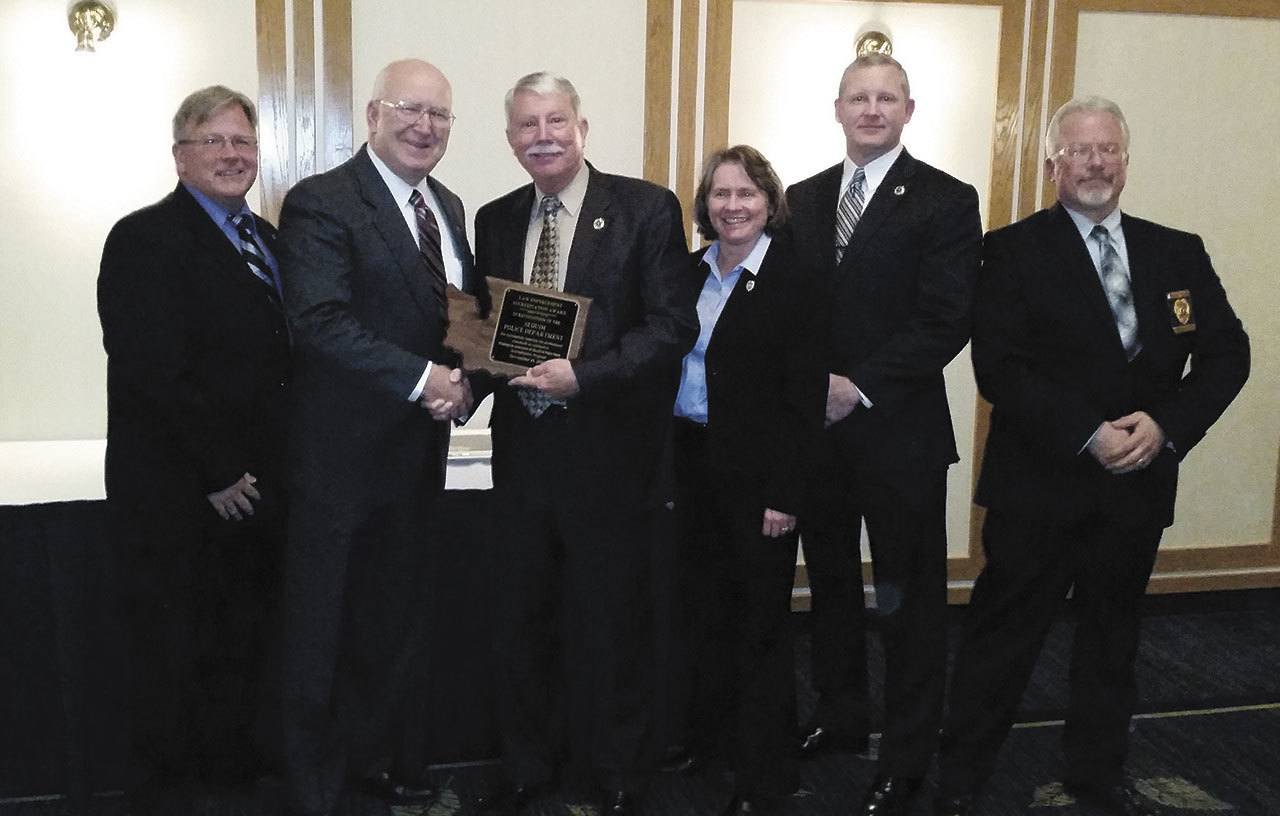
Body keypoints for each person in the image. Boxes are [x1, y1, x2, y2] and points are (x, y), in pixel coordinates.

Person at [933, 96, 1250, 816]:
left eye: (1108, 149)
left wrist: (1166, 428)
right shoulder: (1010, 250)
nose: (1095, 162)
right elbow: (1002, 368)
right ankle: (961, 779)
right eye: (1079, 150)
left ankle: (1096, 774)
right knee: (1001, 640)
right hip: (1039, 488)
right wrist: (1090, 432)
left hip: (1137, 486)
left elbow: (1230, 353)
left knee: (1113, 641)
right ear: (1053, 164)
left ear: (1126, 162)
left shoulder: (1178, 250)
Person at [472, 71, 698, 816]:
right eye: (527, 125)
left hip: (611, 458)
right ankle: (530, 768)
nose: (543, 136)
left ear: (582, 126)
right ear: (510, 139)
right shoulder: (495, 218)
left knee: (611, 623)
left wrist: (587, 377)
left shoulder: (644, 209)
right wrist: (452, 385)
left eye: (556, 121)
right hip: (524, 458)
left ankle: (616, 774)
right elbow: (488, 329)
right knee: (520, 621)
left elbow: (671, 329)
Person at [275, 58, 477, 816]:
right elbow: (321, 321)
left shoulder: (447, 205)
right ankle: (315, 790)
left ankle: (378, 765)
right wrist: (428, 380)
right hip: (340, 465)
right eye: (410, 110)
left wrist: (470, 384)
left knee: (392, 629)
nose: (425, 127)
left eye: (440, 115)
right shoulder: (323, 202)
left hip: (415, 461)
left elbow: (462, 321)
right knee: (321, 633)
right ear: (372, 115)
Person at [785, 53, 981, 816]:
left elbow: (945, 318)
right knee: (830, 584)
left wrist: (855, 386)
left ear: (909, 109)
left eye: (886, 98)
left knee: (908, 599)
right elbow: (789, 312)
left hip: (897, 435)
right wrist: (807, 391)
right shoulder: (801, 199)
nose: (872, 110)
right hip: (816, 436)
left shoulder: (945, 199)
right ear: (836, 108)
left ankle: (906, 755)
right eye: (859, 98)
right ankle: (840, 717)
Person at [97, 85, 290, 813]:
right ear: (180, 156)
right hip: (184, 497)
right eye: (214, 141)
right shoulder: (144, 238)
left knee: (238, 652)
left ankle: (231, 785)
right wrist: (215, 471)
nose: (232, 155)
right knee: (178, 658)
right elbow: (153, 369)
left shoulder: (266, 241)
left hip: (257, 494)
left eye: (243, 142)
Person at [666, 145, 825, 815]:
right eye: (720, 194)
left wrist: (787, 496)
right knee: (702, 612)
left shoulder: (795, 277)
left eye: (746, 194)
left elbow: (803, 397)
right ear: (705, 204)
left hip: (759, 482)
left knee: (760, 625)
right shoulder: (687, 271)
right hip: (689, 466)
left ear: (769, 202)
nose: (732, 205)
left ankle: (766, 773)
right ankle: (711, 741)